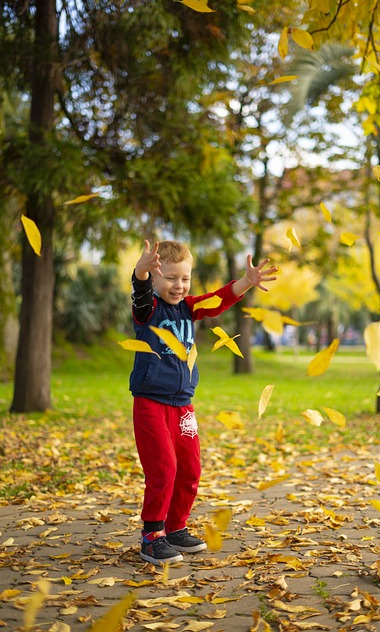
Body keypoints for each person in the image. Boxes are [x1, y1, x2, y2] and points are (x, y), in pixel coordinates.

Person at [130, 239, 277, 565]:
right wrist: (140, 270)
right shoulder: (148, 310)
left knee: (189, 468)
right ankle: (151, 537)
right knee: (164, 469)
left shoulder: (188, 308)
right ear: (155, 277)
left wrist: (246, 283)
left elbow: (217, 301)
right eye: (170, 278)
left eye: (184, 279)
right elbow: (139, 290)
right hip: (150, 402)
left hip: (183, 404)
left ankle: (175, 527)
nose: (178, 286)